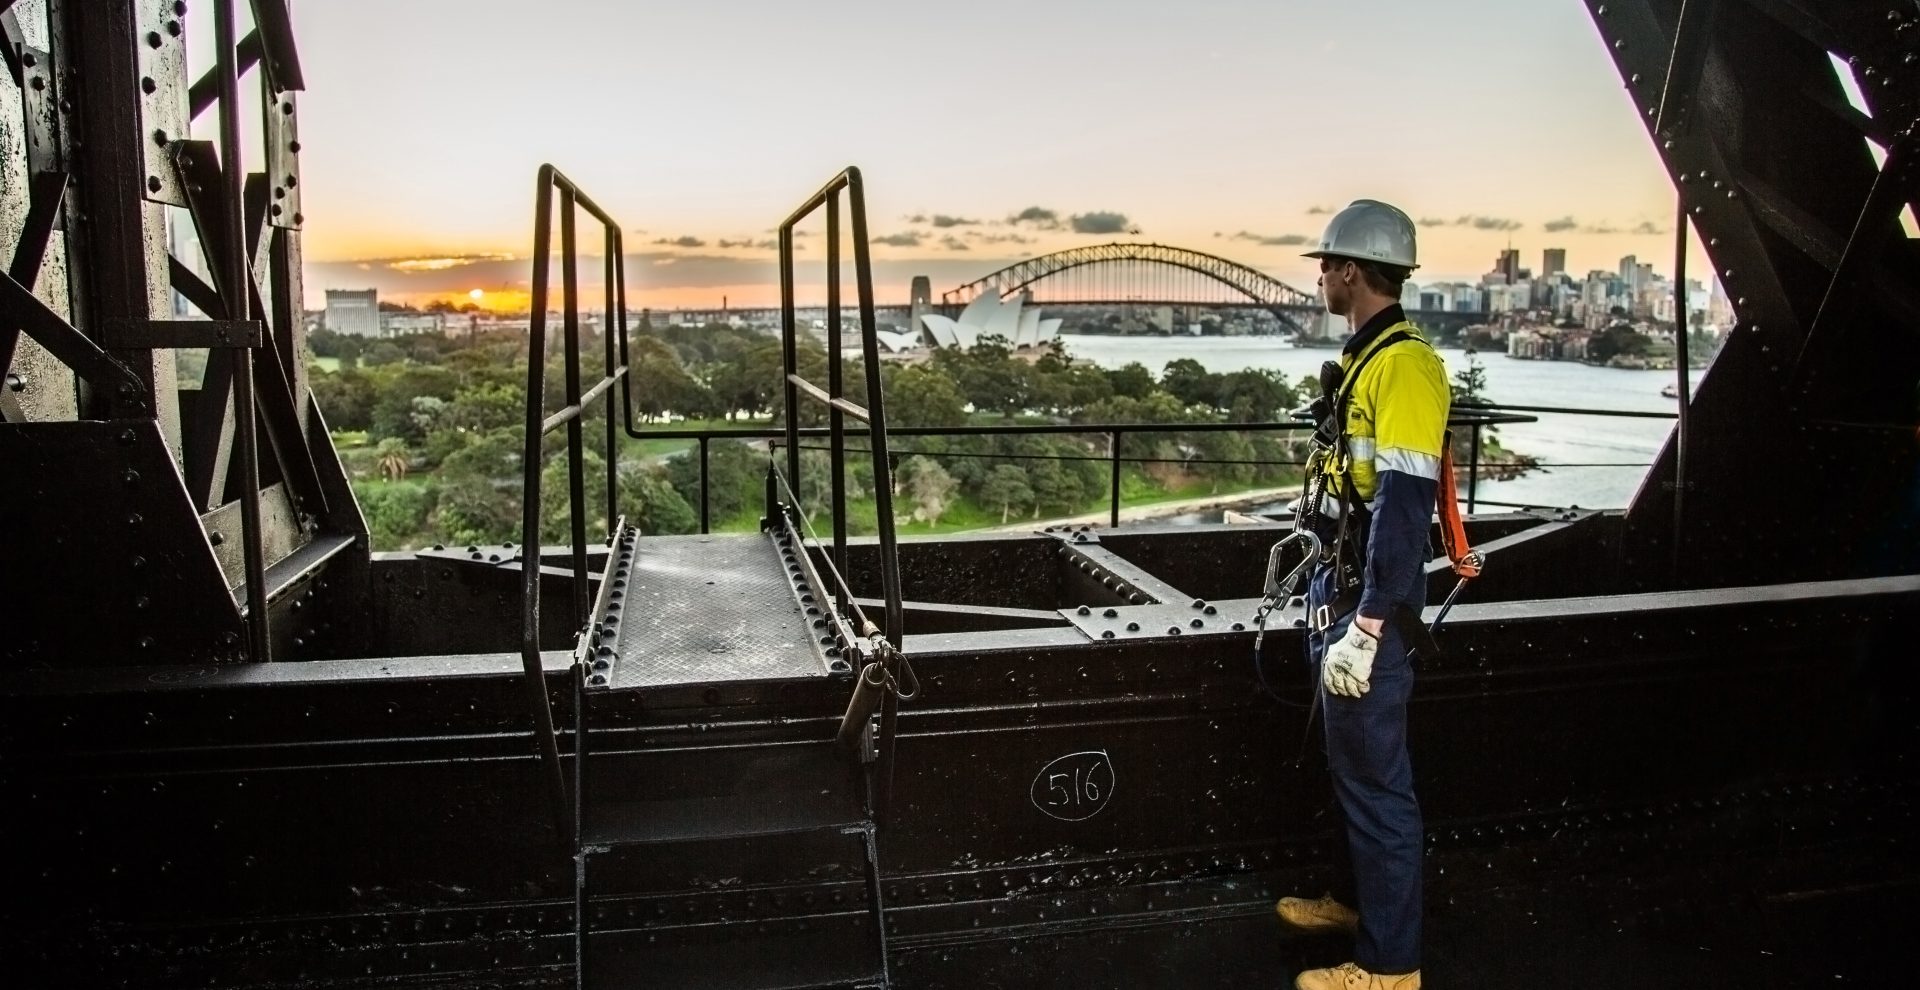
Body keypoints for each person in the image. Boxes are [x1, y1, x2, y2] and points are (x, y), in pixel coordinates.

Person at [1276, 200, 1449, 990]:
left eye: (1326, 265)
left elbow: (1407, 509)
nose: (1319, 277)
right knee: (1350, 767)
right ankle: (1353, 904)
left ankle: (1390, 968)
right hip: (1338, 585)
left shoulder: (1405, 366)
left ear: (1350, 271)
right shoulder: (1367, 359)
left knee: (1379, 784)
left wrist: (1370, 626)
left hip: (1367, 605)